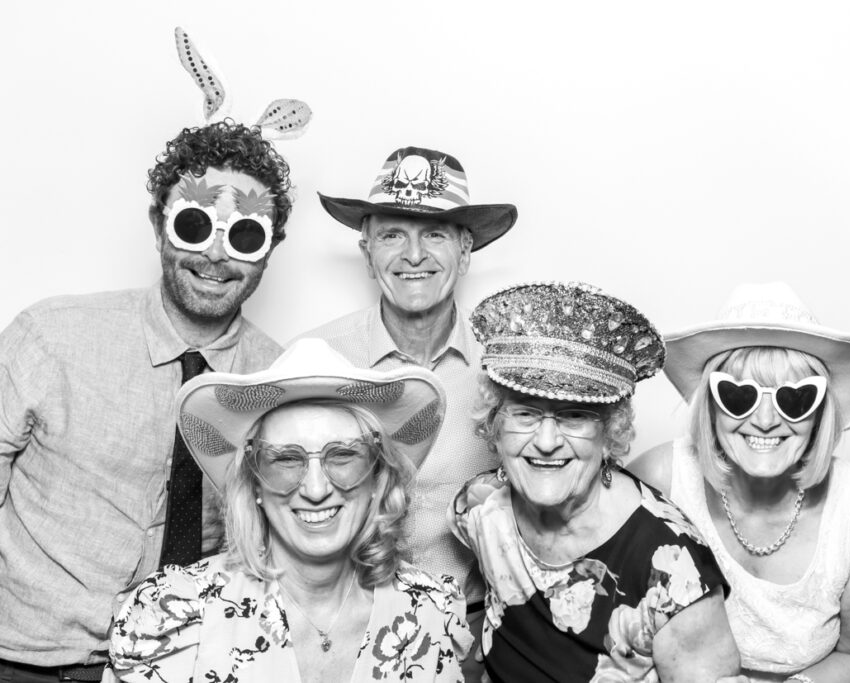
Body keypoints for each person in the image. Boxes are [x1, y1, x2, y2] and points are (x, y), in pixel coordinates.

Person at [0, 118, 298, 681]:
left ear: (269, 250)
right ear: (159, 226)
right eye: (194, 224)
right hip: (27, 661)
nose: (215, 256)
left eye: (245, 236)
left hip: (182, 666)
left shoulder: (281, 383)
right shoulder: (51, 338)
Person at [108, 339, 471, 682]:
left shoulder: (429, 610)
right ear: (254, 484)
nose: (315, 489)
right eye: (285, 460)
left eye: (343, 455)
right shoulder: (175, 615)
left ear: (377, 477)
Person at [295, 146, 517, 681]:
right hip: (335, 637)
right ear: (367, 251)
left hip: (474, 642)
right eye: (393, 234)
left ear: (466, 253)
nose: (413, 254)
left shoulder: (507, 369)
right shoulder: (312, 360)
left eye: (435, 234)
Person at [449, 282, 740, 683]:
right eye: (525, 414)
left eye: (574, 416)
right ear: (494, 427)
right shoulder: (478, 508)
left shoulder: (675, 574)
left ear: (609, 435)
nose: (547, 442)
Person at [629, 282, 850, 683]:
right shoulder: (659, 481)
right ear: (710, 404)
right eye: (738, 395)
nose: (764, 420)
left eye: (794, 399)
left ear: (820, 411)